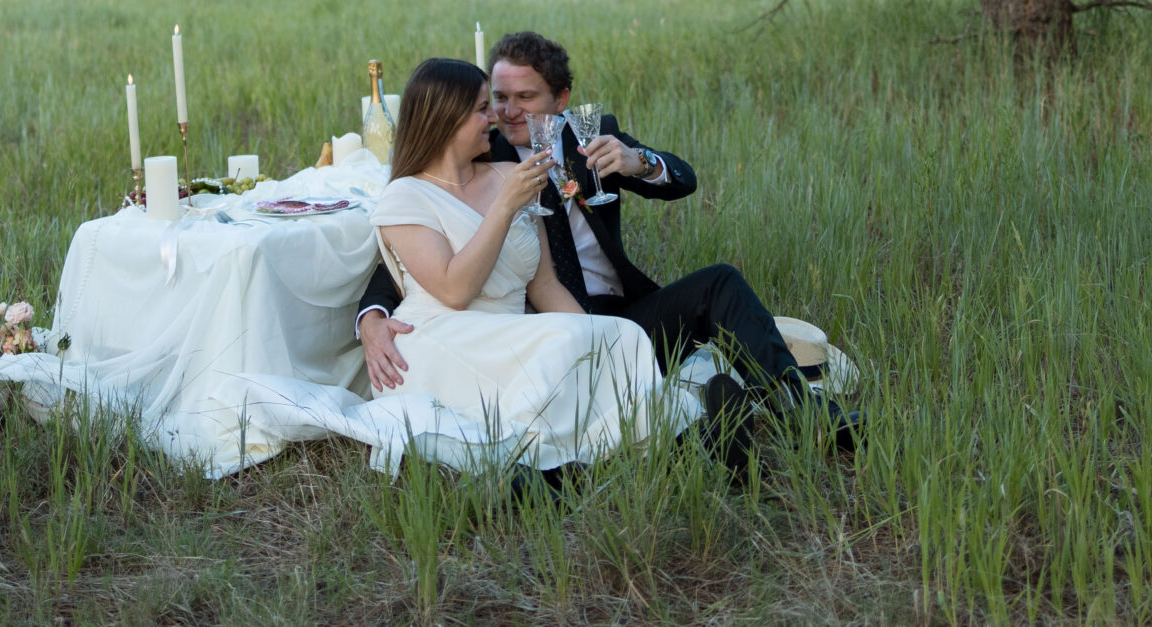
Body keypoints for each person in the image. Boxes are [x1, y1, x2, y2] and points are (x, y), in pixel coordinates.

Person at [357, 31, 854, 440]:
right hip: (530, 333)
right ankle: (694, 428)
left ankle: (802, 412)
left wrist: (640, 162)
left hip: (618, 313)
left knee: (719, 283)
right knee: (607, 397)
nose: (506, 113)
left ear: (562, 100)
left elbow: (684, 180)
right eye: (498, 99)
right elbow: (406, 261)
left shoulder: (593, 139)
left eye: (525, 99)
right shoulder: (484, 163)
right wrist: (372, 318)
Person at [365, 56, 672, 471]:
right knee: (557, 353)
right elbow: (455, 291)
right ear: (445, 119)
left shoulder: (508, 173)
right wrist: (504, 206)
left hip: (506, 334)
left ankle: (672, 439)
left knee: (622, 336)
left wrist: (597, 337)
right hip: (438, 341)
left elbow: (544, 285)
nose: (494, 116)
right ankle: (556, 465)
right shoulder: (405, 196)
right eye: (480, 108)